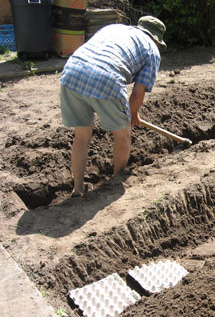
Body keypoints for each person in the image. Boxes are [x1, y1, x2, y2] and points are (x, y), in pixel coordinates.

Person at [60, 16, 166, 197]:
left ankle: (77, 189)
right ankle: (116, 182)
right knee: (123, 133)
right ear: (156, 39)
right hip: (106, 78)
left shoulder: (113, 28)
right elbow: (138, 93)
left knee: (82, 136)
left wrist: (132, 113)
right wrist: (130, 116)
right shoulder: (151, 51)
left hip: (71, 72)